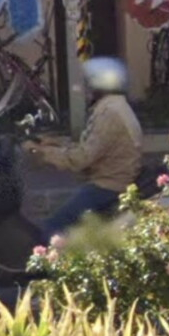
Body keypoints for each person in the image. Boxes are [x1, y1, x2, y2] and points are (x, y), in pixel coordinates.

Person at [29, 56, 145, 240]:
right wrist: (56, 143)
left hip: (108, 186)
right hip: (113, 180)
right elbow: (93, 144)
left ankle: (45, 258)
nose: (87, 89)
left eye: (90, 83)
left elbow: (82, 158)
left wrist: (43, 153)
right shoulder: (115, 107)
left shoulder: (109, 114)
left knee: (53, 226)